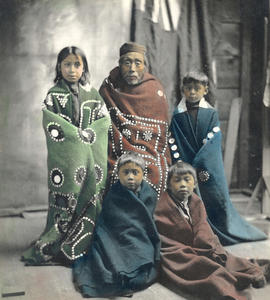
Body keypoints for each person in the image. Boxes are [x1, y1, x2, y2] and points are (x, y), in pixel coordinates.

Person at [21, 46, 111, 265]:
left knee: (91, 193)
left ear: (84, 67)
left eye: (77, 64)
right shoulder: (54, 95)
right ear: (59, 67)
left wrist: (88, 135)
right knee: (65, 196)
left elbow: (103, 121)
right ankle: (58, 239)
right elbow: (52, 123)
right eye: (67, 64)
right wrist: (75, 135)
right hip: (66, 159)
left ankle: (85, 240)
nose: (72, 70)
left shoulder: (93, 95)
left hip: (92, 157)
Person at [169, 70, 267, 245]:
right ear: (183, 89)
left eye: (196, 88)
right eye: (188, 88)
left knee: (215, 196)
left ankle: (221, 230)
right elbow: (175, 140)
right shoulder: (178, 115)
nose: (192, 92)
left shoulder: (211, 114)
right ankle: (195, 232)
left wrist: (199, 163)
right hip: (186, 163)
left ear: (205, 90)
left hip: (207, 166)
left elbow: (213, 141)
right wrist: (185, 164)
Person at [155, 161, 270, 300]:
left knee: (226, 259)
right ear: (168, 185)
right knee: (208, 270)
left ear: (195, 184)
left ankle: (253, 273)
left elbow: (202, 226)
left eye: (187, 180)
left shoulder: (195, 201)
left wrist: (208, 243)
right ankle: (226, 291)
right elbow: (166, 237)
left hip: (200, 244)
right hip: (178, 252)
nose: (183, 185)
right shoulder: (162, 206)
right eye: (177, 181)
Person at [73, 151, 160, 297]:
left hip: (139, 236)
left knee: (143, 260)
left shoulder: (149, 194)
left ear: (143, 174)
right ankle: (118, 275)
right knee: (104, 252)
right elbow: (109, 220)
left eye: (135, 172)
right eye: (125, 172)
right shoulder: (114, 193)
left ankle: (129, 276)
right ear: (118, 174)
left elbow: (148, 223)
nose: (130, 177)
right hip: (114, 235)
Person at [99, 41, 171, 198]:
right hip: (115, 153)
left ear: (144, 65)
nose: (132, 68)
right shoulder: (109, 88)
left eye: (137, 63)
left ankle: (150, 220)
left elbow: (160, 137)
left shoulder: (154, 90)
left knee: (155, 172)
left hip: (150, 152)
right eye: (127, 62)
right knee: (114, 173)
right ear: (120, 65)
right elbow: (101, 127)